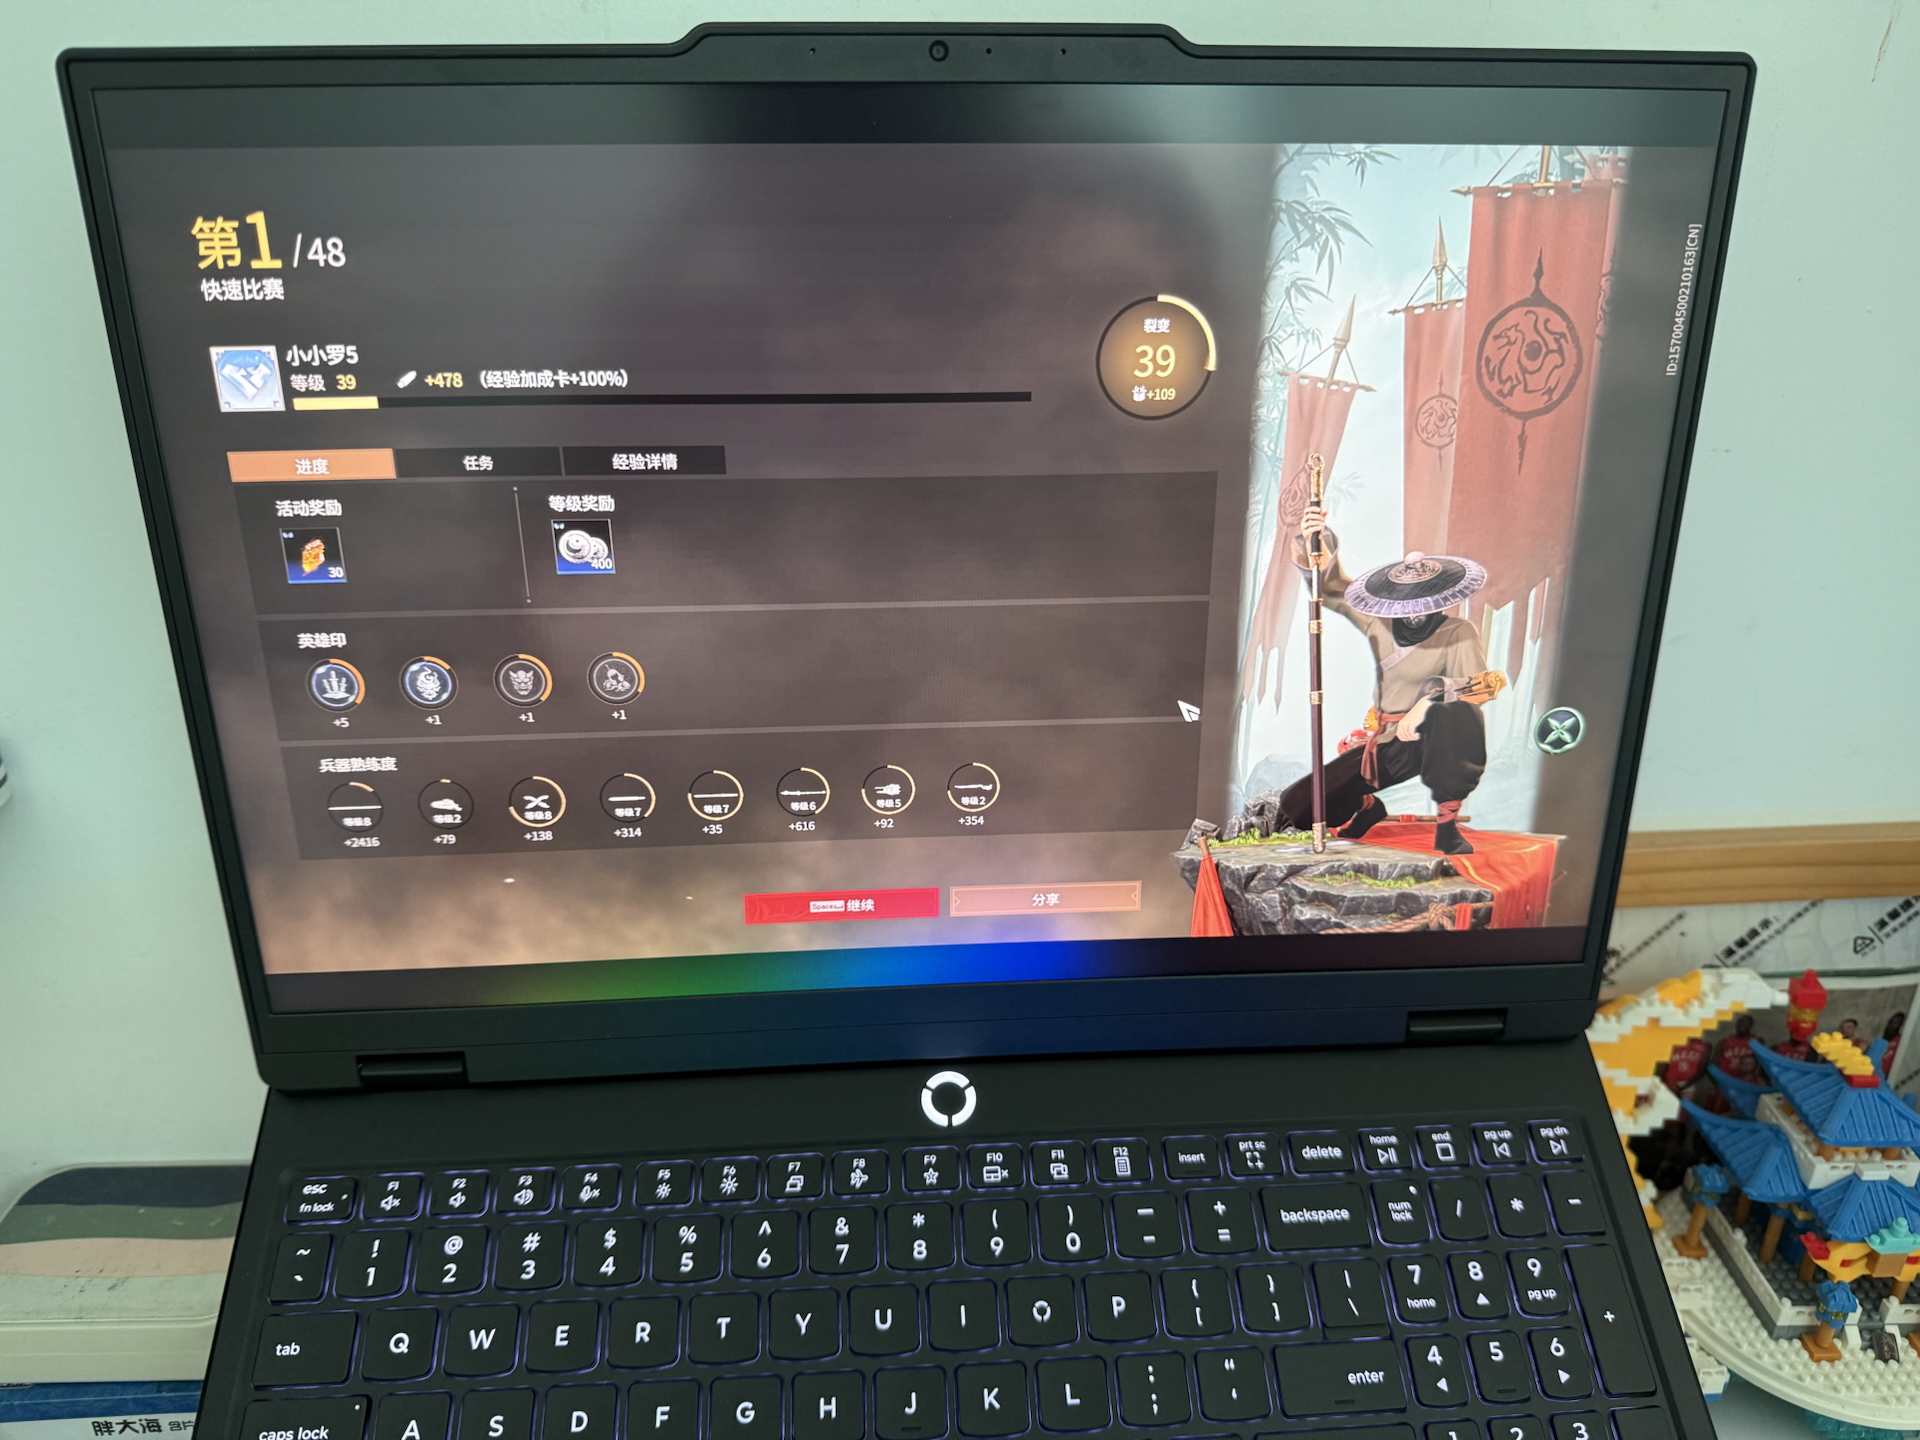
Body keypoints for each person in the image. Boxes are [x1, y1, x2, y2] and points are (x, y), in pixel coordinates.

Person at [1278, 502, 1505, 856]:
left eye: (1424, 601)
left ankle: (1447, 826)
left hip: (1437, 738)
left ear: (1438, 598)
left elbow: (1480, 686)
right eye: (1408, 601)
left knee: (1453, 708)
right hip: (1389, 741)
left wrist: (1429, 699)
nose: (1415, 611)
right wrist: (1315, 540)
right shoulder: (1379, 624)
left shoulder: (1458, 632)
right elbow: (1334, 590)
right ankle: (1368, 807)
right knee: (1299, 805)